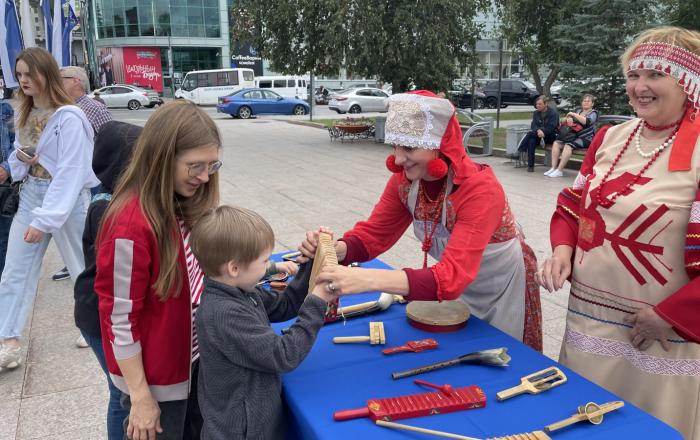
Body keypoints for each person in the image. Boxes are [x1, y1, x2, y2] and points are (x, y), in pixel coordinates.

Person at [536, 26, 700, 438]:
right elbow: (573, 206)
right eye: (633, 74)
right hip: (588, 324)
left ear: (688, 82)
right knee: (580, 420)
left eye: (655, 75)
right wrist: (561, 250)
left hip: (661, 336)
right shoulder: (610, 137)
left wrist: (670, 317)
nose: (639, 86)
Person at [300, 91, 543, 351]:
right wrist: (335, 251)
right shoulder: (406, 181)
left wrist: (365, 279)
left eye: (409, 147)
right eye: (394, 145)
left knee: (500, 354)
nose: (398, 159)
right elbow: (375, 234)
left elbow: (450, 278)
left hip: (502, 289)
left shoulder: (480, 190)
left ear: (440, 145)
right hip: (454, 285)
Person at [95, 100, 221, 440]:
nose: (205, 177)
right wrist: (140, 397)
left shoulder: (181, 202)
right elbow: (119, 319)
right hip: (158, 384)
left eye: (212, 164)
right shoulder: (130, 225)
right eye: (195, 166)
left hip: (190, 365)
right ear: (162, 158)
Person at [191, 206, 336, 440]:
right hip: (241, 431)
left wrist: (310, 265)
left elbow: (285, 304)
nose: (269, 265)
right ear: (234, 268)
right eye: (265, 260)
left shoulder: (238, 290)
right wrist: (318, 301)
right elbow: (284, 355)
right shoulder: (225, 312)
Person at [0, 47, 99, 369]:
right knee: (14, 270)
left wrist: (46, 220)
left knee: (81, 267)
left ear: (47, 73)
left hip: (66, 202)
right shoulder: (23, 112)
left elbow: (71, 171)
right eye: (19, 75)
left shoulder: (71, 116)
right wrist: (17, 161)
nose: (24, 80)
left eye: (30, 74)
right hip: (31, 195)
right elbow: (21, 157)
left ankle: (93, 324)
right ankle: (8, 339)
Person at [74, 121, 141, 440]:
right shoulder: (107, 210)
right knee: (122, 392)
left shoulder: (115, 197)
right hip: (98, 316)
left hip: (102, 312)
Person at [52, 66, 114, 287]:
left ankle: (92, 265)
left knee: (90, 223)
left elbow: (110, 138)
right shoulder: (61, 109)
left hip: (92, 178)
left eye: (61, 79)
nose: (56, 82)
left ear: (77, 81)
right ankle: (75, 262)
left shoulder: (93, 108)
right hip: (68, 177)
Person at [544, 94, 599, 178]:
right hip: (574, 136)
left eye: (588, 101)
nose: (586, 102)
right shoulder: (578, 111)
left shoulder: (593, 113)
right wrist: (567, 118)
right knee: (556, 143)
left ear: (592, 104)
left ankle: (559, 170)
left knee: (568, 145)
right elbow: (562, 121)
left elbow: (586, 122)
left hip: (586, 139)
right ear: (582, 103)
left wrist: (573, 115)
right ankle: (553, 168)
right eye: (584, 101)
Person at [515, 95, 559, 172]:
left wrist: (542, 131)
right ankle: (530, 166)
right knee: (531, 140)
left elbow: (551, 128)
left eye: (540, 104)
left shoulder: (553, 114)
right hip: (538, 135)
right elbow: (533, 125)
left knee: (530, 134)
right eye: (537, 104)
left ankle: (519, 151)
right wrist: (539, 130)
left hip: (550, 137)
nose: (537, 106)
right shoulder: (536, 113)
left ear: (545, 104)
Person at [0, 97, 15, 275]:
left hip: (3, 184)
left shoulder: (5, 109)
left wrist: (6, 167)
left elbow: (17, 143)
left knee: (4, 238)